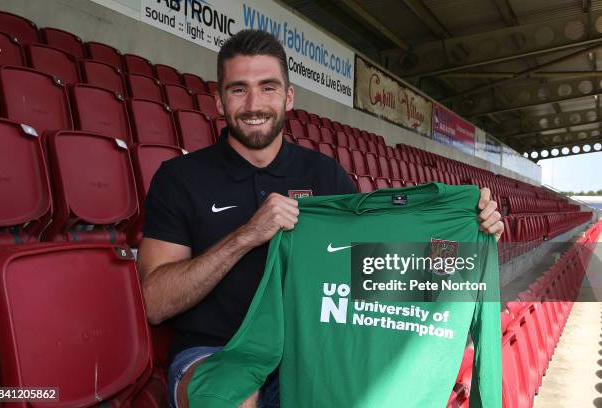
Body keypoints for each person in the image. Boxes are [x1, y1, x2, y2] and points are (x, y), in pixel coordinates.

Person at [136, 29, 504, 408]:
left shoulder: (325, 176)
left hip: (312, 352)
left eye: (268, 88)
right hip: (215, 352)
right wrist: (247, 235)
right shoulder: (180, 178)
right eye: (238, 89)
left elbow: (380, 267)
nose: (253, 103)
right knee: (236, 395)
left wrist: (472, 239)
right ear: (218, 100)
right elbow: (154, 303)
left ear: (288, 97)